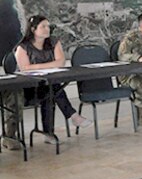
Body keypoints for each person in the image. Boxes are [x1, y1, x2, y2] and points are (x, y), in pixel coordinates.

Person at [6, 15, 93, 146]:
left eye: (48, 26)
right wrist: (49, 65)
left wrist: (37, 66)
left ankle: (50, 133)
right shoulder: (22, 47)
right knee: (53, 89)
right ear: (34, 29)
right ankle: (72, 116)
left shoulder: (54, 42)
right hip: (26, 89)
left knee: (52, 90)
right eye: (43, 27)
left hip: (45, 86)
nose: (47, 29)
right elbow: (25, 68)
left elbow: (61, 62)